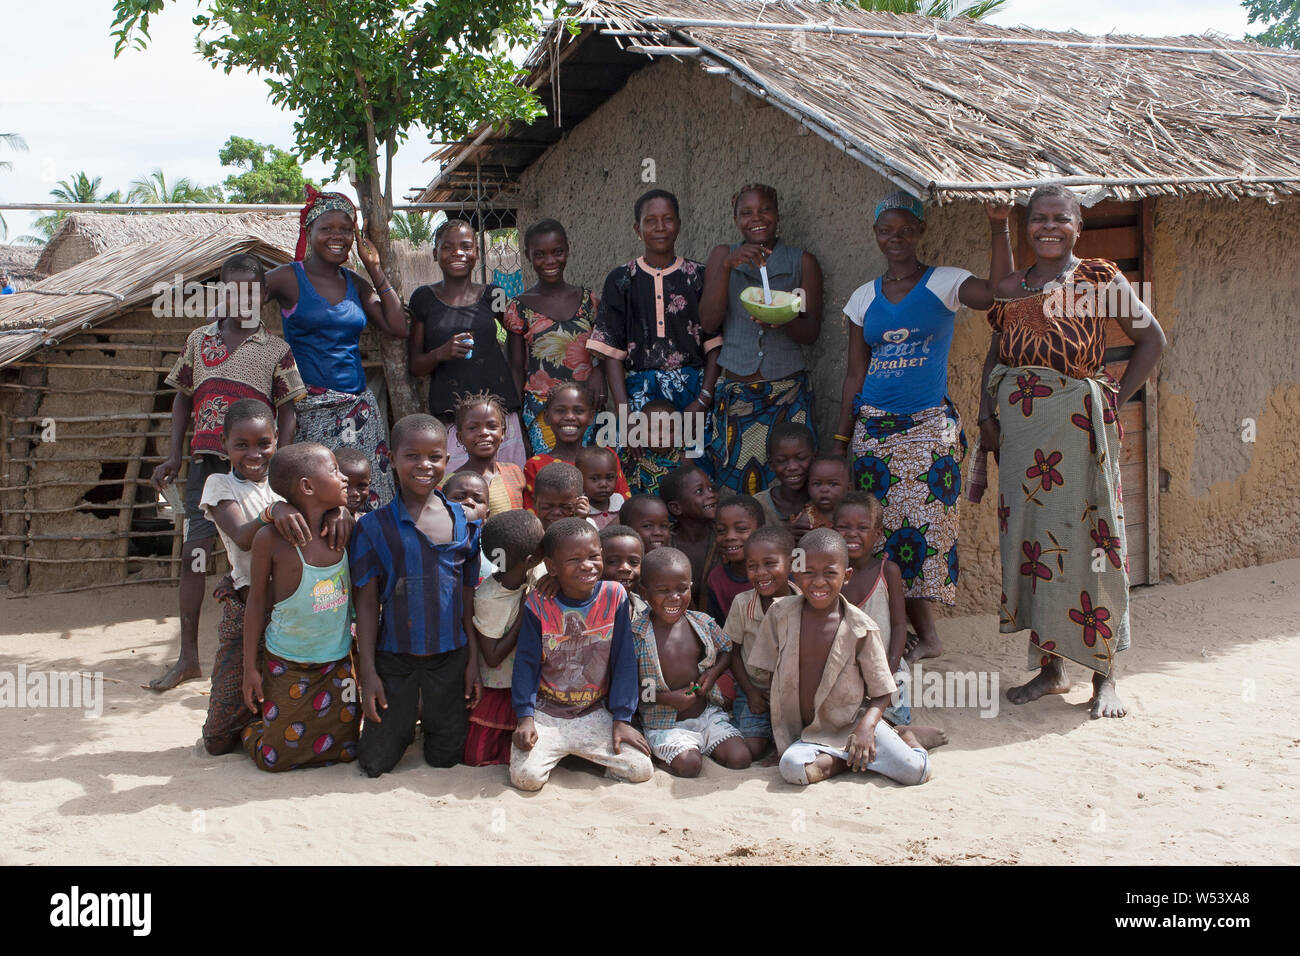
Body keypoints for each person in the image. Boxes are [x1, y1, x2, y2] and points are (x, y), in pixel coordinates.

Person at [981, 184, 1165, 719]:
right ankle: (1051, 668)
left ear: (1078, 226)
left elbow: (1152, 340)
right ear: (1027, 225)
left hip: (1082, 432)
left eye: (1060, 218)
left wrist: (1110, 400)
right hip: (1023, 440)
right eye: (1039, 218)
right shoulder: (1013, 287)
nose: (1049, 227)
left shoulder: (1097, 278)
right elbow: (995, 356)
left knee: (1095, 540)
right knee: (1035, 545)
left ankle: (1106, 675)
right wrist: (987, 416)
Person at [835, 192, 1013, 666]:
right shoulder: (863, 298)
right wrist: (840, 440)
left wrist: (999, 225)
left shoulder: (944, 283)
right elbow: (855, 374)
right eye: (886, 231)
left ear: (919, 232)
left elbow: (1000, 291)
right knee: (881, 534)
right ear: (875, 235)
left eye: (905, 230)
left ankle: (929, 635)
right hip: (872, 430)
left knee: (926, 536)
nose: (896, 239)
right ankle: (897, 634)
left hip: (926, 430)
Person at [148, 253, 307, 691]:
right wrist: (174, 455)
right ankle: (187, 659)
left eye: (251, 290)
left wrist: (282, 460)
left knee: (265, 555)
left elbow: (289, 409)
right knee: (194, 557)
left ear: (263, 295)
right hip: (206, 464)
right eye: (232, 289)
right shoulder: (199, 341)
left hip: (259, 470)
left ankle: (274, 650)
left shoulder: (276, 349)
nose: (242, 298)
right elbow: (182, 397)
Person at [350, 414, 482, 776]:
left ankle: (428, 721)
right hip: (395, 658)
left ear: (446, 460)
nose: (424, 465)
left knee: (447, 757)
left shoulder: (466, 522)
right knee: (375, 762)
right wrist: (368, 672)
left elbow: (468, 599)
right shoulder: (372, 527)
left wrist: (472, 661)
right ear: (391, 458)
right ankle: (406, 721)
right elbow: (366, 604)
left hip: (450, 657)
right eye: (412, 456)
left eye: (434, 456)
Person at [748, 529, 932, 786]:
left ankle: (907, 737)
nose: (818, 582)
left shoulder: (861, 627)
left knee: (915, 772)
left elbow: (882, 692)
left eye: (830, 573)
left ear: (846, 576)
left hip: (852, 727)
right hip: (806, 734)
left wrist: (866, 729)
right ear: (796, 574)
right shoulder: (780, 615)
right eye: (808, 573)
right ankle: (848, 759)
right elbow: (766, 674)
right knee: (791, 768)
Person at [266, 186, 408, 507]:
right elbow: (238, 302)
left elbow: (397, 327)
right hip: (308, 412)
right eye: (327, 228)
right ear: (309, 230)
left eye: (346, 230)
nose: (337, 236)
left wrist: (373, 267)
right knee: (319, 503)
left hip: (359, 412)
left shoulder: (354, 283)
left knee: (369, 502)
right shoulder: (287, 278)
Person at [509, 518, 653, 791]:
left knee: (640, 769)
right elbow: (526, 663)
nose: (587, 565)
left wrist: (622, 719)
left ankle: (581, 756)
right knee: (526, 778)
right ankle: (562, 753)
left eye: (593, 557)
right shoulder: (539, 603)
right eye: (574, 560)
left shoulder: (615, 596)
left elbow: (623, 660)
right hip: (547, 713)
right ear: (552, 567)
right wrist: (524, 717)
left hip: (593, 711)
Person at [240, 443, 358, 772]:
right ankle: (250, 728)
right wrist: (250, 667)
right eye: (335, 471)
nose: (344, 477)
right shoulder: (271, 539)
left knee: (347, 749)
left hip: (337, 663)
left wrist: (342, 512)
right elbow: (257, 602)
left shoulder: (344, 528)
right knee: (275, 759)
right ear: (307, 486)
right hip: (286, 662)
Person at [700, 183, 825, 493]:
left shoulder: (802, 262)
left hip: (788, 394)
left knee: (791, 483)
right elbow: (708, 321)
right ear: (735, 219)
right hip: (738, 392)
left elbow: (811, 333)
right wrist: (729, 267)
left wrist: (781, 319)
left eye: (765, 210)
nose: (756, 218)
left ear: (778, 214)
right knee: (737, 488)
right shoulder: (722, 257)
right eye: (746, 212)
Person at [589, 188, 721, 477]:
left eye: (668, 219)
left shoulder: (698, 275)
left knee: (696, 471)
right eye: (651, 221)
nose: (660, 228)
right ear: (638, 229)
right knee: (640, 470)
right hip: (640, 396)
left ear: (679, 224)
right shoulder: (621, 279)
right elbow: (612, 352)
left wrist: (704, 399)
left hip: (692, 392)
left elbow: (715, 345)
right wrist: (626, 415)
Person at [196, 400, 282, 754]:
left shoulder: (285, 481)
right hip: (245, 607)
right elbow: (243, 536)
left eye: (264, 443)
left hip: (287, 609)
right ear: (224, 445)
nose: (254, 453)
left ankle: (266, 731)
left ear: (276, 440)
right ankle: (240, 731)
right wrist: (276, 511)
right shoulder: (219, 485)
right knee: (218, 736)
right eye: (241, 445)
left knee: (280, 688)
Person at [408, 218, 525, 471]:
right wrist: (441, 352)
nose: (457, 253)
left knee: (507, 485)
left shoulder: (494, 295)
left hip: (499, 413)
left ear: (476, 253)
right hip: (452, 416)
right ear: (435, 253)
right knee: (461, 490)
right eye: (447, 247)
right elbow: (415, 365)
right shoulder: (424, 299)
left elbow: (517, 331)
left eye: (465, 246)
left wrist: (516, 382)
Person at [632, 547, 752, 776]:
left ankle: (699, 745)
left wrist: (714, 673)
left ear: (691, 586)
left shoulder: (702, 623)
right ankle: (665, 754)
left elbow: (727, 649)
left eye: (682, 589)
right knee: (690, 765)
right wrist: (666, 698)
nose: (674, 597)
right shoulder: (636, 635)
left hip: (706, 715)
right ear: (644, 592)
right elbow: (629, 687)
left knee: (741, 758)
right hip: (664, 724)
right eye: (663, 590)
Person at [505, 218, 604, 454]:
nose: (550, 261)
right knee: (551, 477)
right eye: (540, 254)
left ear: (567, 250)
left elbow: (605, 349)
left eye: (557, 252)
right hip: (542, 412)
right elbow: (516, 367)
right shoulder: (519, 307)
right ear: (528, 256)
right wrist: (518, 418)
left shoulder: (589, 301)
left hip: (586, 408)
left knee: (590, 474)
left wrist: (599, 371)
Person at [465, 510, 545, 767]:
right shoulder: (490, 599)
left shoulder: (530, 574)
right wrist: (524, 613)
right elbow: (492, 655)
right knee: (486, 753)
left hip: (522, 682)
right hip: (498, 687)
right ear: (531, 558)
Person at [724, 525, 797, 760]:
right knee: (751, 750)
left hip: (792, 694)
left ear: (791, 562)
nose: (761, 573)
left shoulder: (803, 604)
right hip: (752, 689)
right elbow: (733, 653)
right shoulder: (742, 603)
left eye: (770, 563)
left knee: (790, 747)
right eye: (752, 566)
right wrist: (751, 692)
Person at [522, 383, 629, 509]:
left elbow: (626, 508)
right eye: (560, 411)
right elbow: (535, 517)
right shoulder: (536, 465)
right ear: (546, 417)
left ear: (591, 417)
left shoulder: (606, 458)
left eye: (578, 411)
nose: (569, 417)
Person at [446, 390, 525, 516]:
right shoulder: (450, 483)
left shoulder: (515, 473)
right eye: (473, 428)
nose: (484, 432)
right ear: (460, 437)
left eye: (492, 426)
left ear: (503, 433)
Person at [661, 463, 717, 606]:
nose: (710, 494)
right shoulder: (664, 544)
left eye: (710, 488)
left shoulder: (722, 539)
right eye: (699, 491)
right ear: (676, 507)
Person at [707, 494, 765, 625]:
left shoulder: (775, 574)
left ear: (761, 531)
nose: (730, 536)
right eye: (721, 530)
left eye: (741, 529)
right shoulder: (716, 579)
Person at [752, 421, 814, 533]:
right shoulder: (759, 506)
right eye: (781, 460)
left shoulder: (825, 500)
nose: (792, 467)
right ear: (771, 464)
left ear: (814, 457)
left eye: (801, 458)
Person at [624, 398, 683, 496]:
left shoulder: (681, 455)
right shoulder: (632, 454)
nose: (661, 436)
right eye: (653, 430)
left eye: (669, 430)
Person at [793, 456, 851, 540]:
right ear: (808, 487)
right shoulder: (807, 518)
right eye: (817, 484)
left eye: (833, 484)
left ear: (848, 488)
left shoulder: (852, 513)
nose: (824, 490)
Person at [599, 524, 648, 617]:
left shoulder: (648, 609)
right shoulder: (584, 610)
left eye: (633, 562)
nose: (625, 568)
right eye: (612, 561)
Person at [576, 445, 625, 530]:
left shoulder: (619, 501)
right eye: (594, 479)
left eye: (609, 477)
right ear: (579, 480)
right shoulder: (580, 507)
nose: (603, 484)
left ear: (616, 478)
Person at [530, 461, 589, 530]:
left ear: (581, 503)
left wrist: (580, 523)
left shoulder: (589, 530)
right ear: (534, 502)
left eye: (567, 507)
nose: (556, 513)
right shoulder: (528, 534)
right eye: (547, 507)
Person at [334, 447, 372, 517]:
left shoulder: (368, 521)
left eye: (361, 486)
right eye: (346, 486)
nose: (354, 493)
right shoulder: (321, 523)